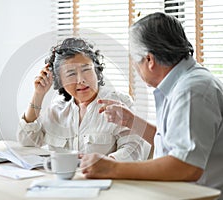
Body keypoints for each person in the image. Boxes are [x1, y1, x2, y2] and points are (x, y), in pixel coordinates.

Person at [80, 12, 223, 196]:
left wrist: (112, 168)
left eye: (135, 61)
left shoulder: (192, 90)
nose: (135, 69)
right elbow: (173, 144)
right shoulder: (184, 83)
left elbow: (186, 166)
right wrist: (132, 122)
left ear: (149, 60)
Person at [16, 38, 151, 161]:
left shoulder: (120, 103)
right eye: (71, 73)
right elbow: (27, 140)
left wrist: (108, 163)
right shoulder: (57, 108)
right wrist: (38, 94)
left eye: (86, 70)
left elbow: (134, 151)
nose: (81, 80)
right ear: (59, 80)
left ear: (97, 71)